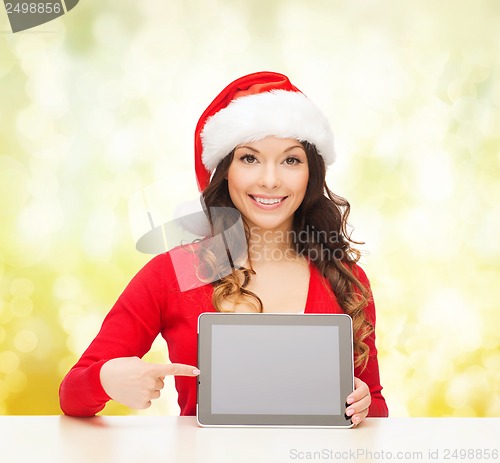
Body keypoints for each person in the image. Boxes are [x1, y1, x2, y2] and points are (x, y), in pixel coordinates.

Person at [59, 71, 389, 425]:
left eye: (291, 160)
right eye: (250, 158)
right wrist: (107, 379)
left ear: (311, 174)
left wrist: (363, 405)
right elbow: (73, 393)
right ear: (225, 171)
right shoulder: (180, 271)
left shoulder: (342, 277)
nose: (270, 179)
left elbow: (377, 411)